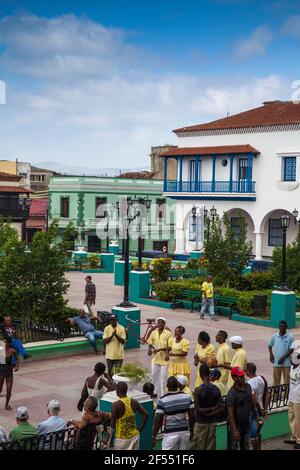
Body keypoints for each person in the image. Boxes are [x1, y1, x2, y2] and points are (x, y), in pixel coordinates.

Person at [152, 376, 194, 450]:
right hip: (184, 433)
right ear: (177, 385)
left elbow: (158, 420)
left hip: (170, 435)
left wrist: (154, 436)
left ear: (167, 386)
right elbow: (192, 416)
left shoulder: (162, 400)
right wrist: (191, 431)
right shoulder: (187, 397)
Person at [190, 364, 223, 450]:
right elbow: (220, 407)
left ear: (201, 375)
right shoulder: (216, 389)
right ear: (209, 374)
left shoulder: (198, 390)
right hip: (212, 422)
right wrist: (212, 410)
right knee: (210, 445)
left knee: (198, 445)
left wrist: (206, 412)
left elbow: (197, 409)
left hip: (200, 422)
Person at [226, 367, 259, 450]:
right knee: (234, 447)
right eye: (239, 377)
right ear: (234, 378)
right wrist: (234, 430)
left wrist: (256, 416)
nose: (242, 378)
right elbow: (230, 413)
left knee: (246, 446)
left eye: (242, 376)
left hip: (246, 425)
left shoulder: (248, 387)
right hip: (236, 427)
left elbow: (251, 403)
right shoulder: (232, 394)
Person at [111, 381, 148, 450]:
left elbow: (112, 425)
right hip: (134, 437)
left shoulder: (115, 405)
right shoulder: (134, 402)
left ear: (117, 391)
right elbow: (146, 415)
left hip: (121, 440)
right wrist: (139, 430)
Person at [245, 362, 270, 450]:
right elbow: (267, 393)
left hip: (253, 411)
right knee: (257, 432)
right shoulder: (261, 378)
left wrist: (257, 411)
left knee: (253, 435)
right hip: (261, 409)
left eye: (245, 370)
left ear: (248, 371)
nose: (245, 372)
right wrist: (265, 409)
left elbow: (253, 400)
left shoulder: (249, 383)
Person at [147, 317, 172, 398]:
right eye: (159, 322)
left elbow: (169, 346)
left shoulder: (168, 333)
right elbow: (150, 342)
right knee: (154, 376)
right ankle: (153, 392)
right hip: (156, 359)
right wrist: (149, 349)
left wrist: (164, 352)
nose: (160, 324)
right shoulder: (154, 332)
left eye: (162, 323)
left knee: (163, 378)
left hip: (164, 359)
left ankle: (163, 395)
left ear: (164, 324)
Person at [283, 346, 300, 449]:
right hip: (291, 397)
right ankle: (294, 437)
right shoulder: (292, 367)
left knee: (299, 420)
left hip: (298, 399)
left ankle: (299, 440)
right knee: (291, 418)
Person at [268, 320, 294, 386]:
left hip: (287, 363)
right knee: (276, 381)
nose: (281, 328)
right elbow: (270, 345)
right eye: (280, 326)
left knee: (287, 381)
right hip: (277, 362)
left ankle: (286, 395)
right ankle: (276, 395)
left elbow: (291, 350)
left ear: (286, 327)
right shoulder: (274, 336)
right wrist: (271, 354)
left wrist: (282, 357)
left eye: (283, 326)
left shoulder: (290, 337)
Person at [0, 336, 19, 410]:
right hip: (1, 372)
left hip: (9, 372)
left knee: (9, 389)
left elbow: (17, 358)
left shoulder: (12, 351)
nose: (3, 343)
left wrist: (17, 366)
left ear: (9, 343)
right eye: (3, 341)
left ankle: (6, 405)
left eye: (5, 342)